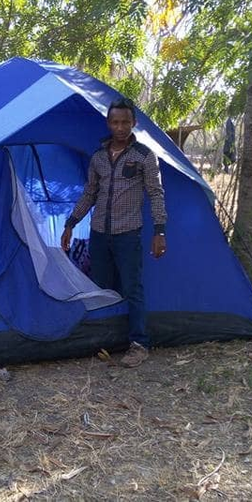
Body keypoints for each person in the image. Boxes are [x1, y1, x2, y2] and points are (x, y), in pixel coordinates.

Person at [61, 97, 167, 368]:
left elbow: (156, 194)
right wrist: (71, 224)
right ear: (108, 123)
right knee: (101, 287)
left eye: (125, 122)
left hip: (127, 233)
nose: (120, 127)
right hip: (99, 233)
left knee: (132, 289)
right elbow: (90, 193)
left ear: (134, 124)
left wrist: (160, 231)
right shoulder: (98, 157)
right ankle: (104, 339)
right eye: (115, 122)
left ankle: (139, 343)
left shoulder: (144, 156)